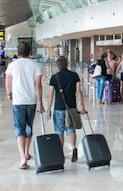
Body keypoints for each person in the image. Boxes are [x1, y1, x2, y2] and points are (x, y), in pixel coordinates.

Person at [5, 41, 44, 169]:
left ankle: (22, 158)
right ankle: (27, 153)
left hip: (18, 101)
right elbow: (38, 85)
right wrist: (40, 103)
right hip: (31, 101)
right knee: (28, 127)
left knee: (19, 128)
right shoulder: (35, 65)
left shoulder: (12, 65)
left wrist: (9, 93)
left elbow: (8, 82)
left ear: (18, 52)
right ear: (30, 51)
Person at [47, 56, 87, 162]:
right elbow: (79, 92)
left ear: (57, 65)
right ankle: (74, 148)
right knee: (71, 129)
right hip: (72, 107)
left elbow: (50, 95)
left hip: (59, 108)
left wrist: (48, 110)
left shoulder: (54, 77)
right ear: (67, 64)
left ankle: (60, 153)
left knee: (59, 131)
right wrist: (82, 106)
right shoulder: (74, 75)